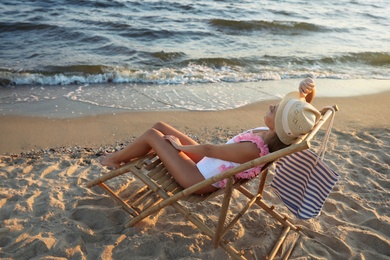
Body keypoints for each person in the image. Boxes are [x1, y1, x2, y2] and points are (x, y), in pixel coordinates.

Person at [99, 78, 320, 194]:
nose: (272, 106)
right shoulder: (276, 135)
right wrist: (307, 92)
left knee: (152, 135)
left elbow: (210, 150)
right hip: (208, 164)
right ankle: (123, 157)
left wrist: (179, 148)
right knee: (160, 126)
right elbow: (299, 117)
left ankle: (114, 160)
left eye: (276, 110)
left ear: (280, 124)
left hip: (197, 178)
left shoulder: (254, 149)